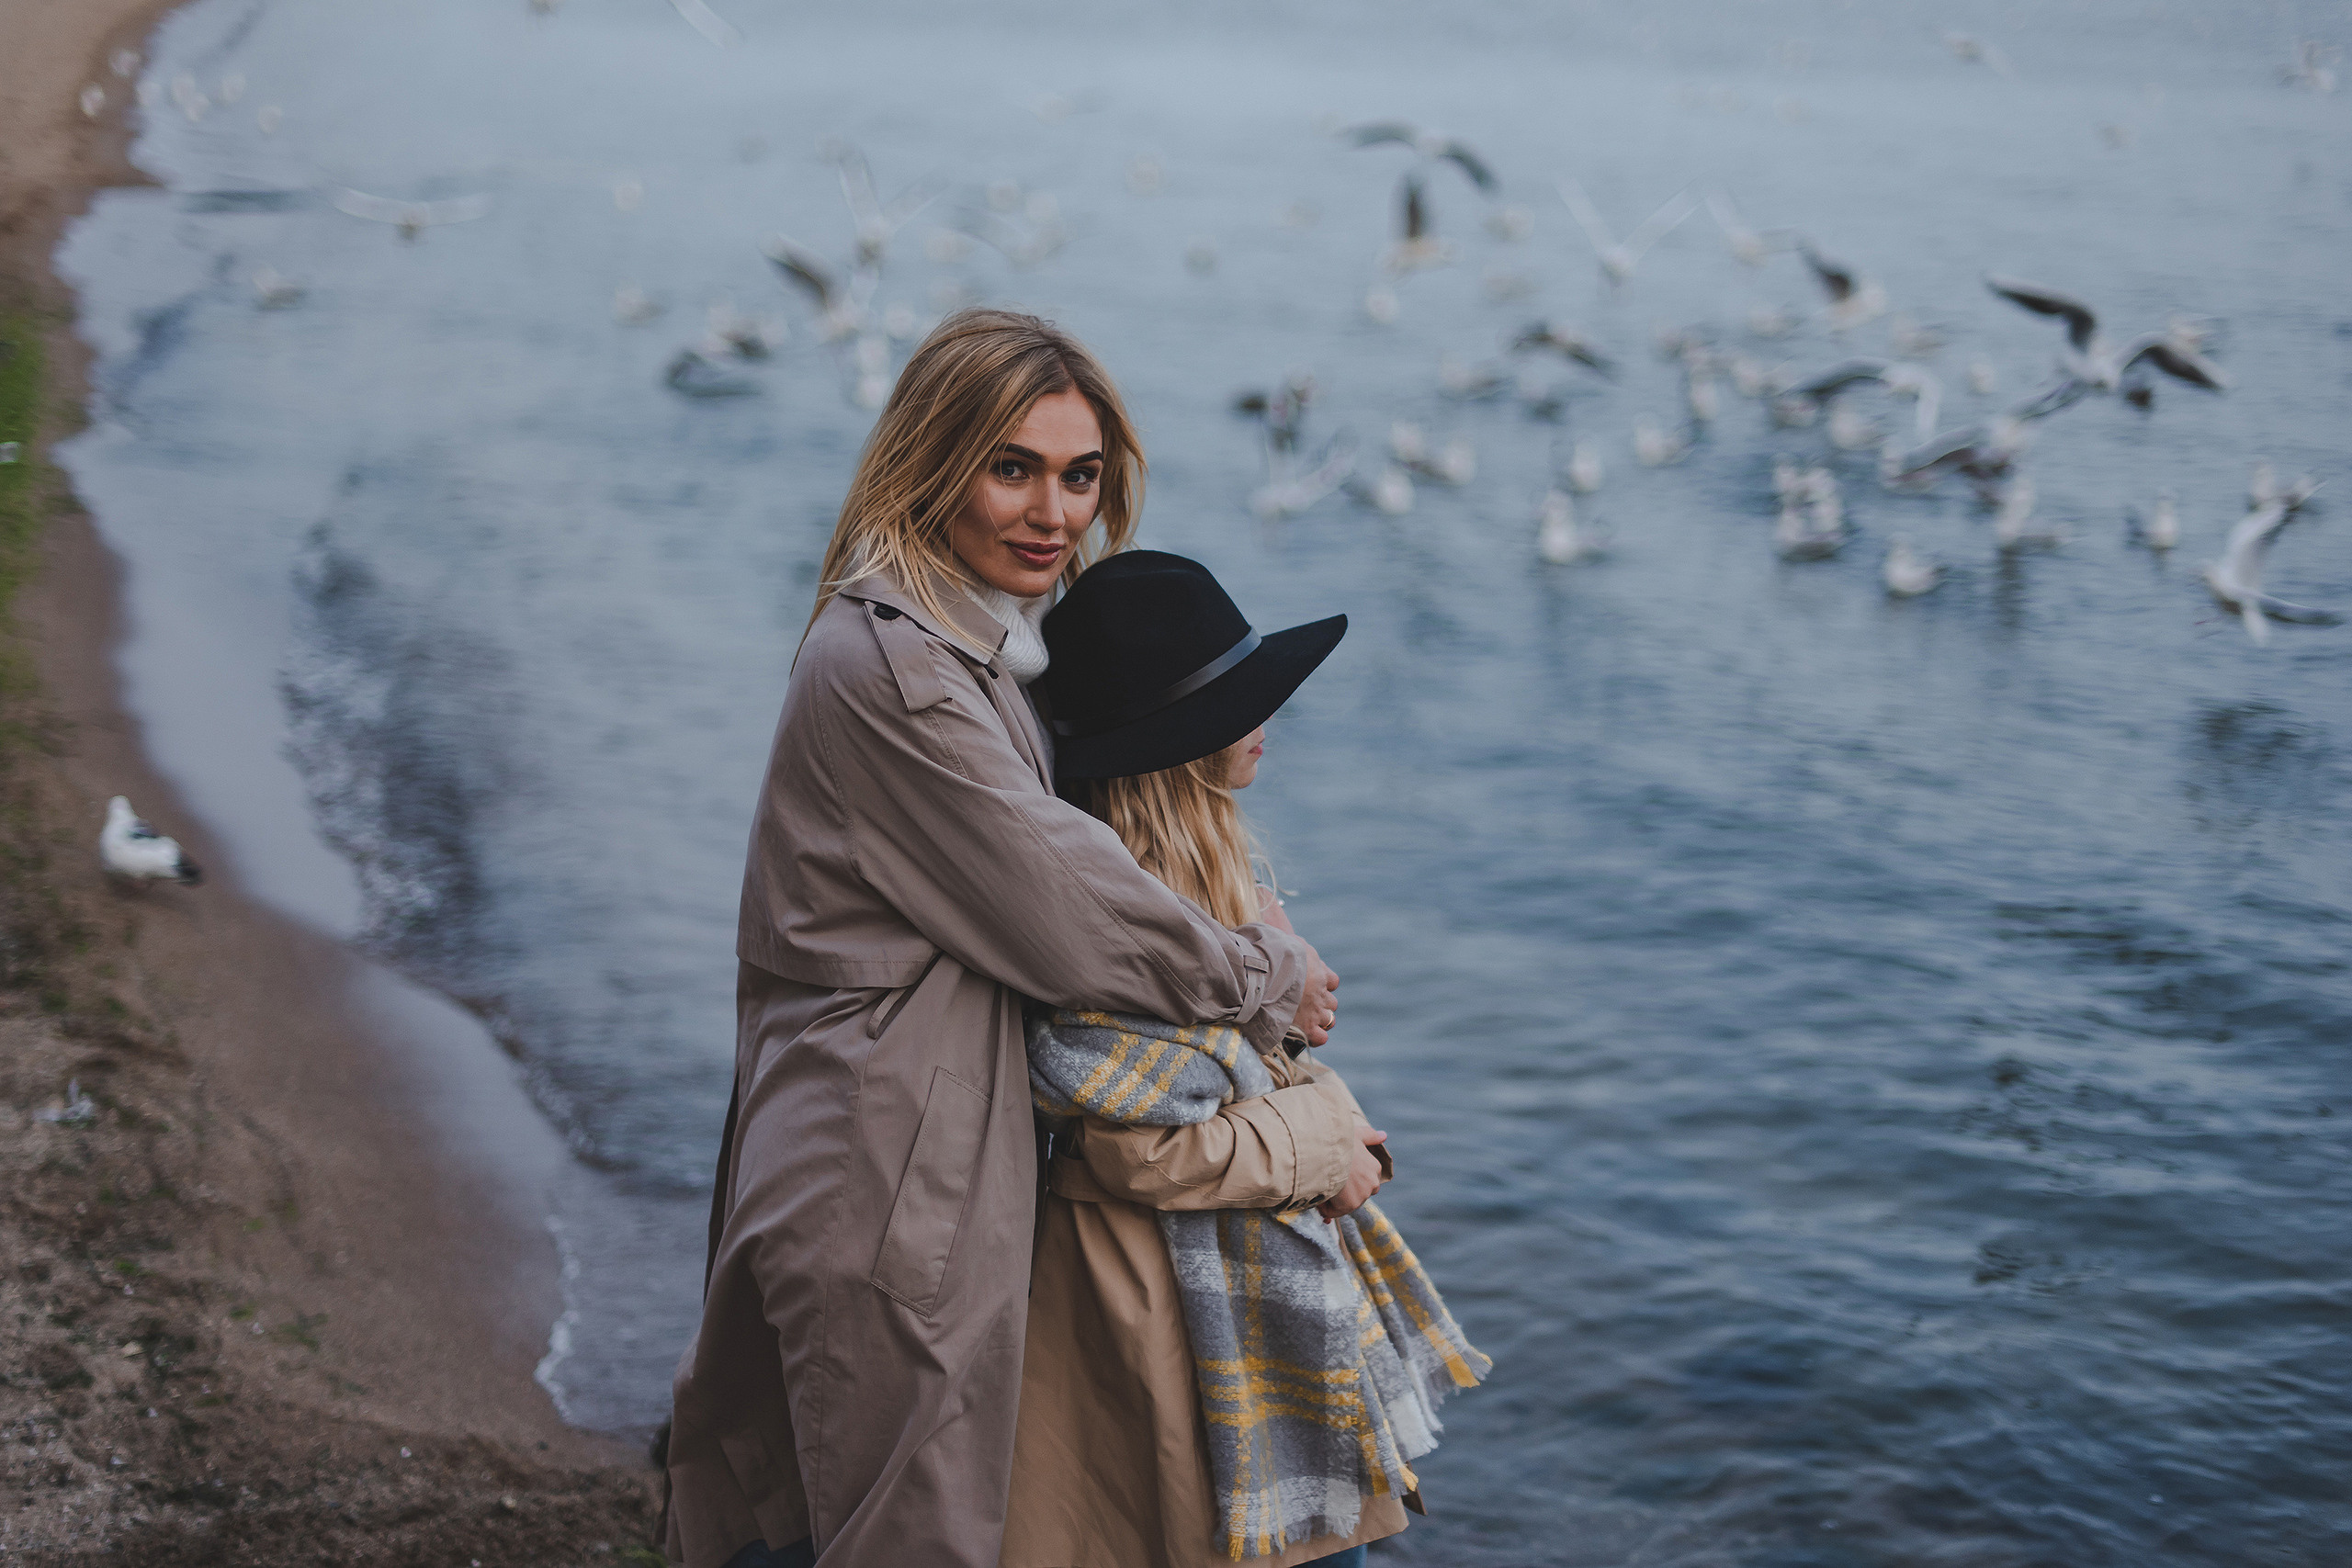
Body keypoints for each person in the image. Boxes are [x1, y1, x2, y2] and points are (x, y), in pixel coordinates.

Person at [661, 312, 1341, 1568]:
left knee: (856, 1510)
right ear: (932, 458)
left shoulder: (973, 650)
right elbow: (1069, 905)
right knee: (902, 1530)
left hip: (913, 1144)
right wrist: (1266, 974)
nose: (1053, 513)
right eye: (1012, 467)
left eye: (1080, 476)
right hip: (888, 1170)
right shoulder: (902, 670)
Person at [1002, 552, 1489, 1568]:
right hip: (1165, 1301)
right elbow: (1139, 1149)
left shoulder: (1210, 890)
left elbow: (1229, 1080)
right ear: (1174, 747)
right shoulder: (1129, 922)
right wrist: (1326, 1141)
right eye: (1237, 702)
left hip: (1201, 1267)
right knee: (1273, 1542)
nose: (1267, 715)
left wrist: (1312, 1086)